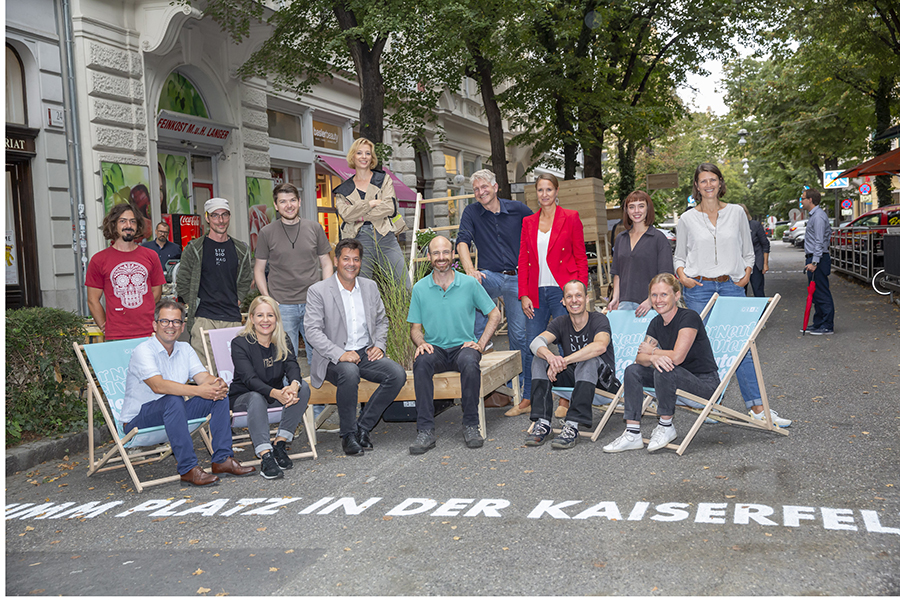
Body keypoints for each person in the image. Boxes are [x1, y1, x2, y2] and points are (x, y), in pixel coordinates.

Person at [673, 163, 791, 427]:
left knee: (742, 347)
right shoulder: (686, 218)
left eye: (712, 179)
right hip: (699, 289)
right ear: (697, 186)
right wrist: (683, 277)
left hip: (731, 286)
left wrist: (747, 272)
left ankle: (759, 409)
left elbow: (747, 250)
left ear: (720, 182)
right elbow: (679, 256)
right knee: (705, 349)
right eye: (703, 181)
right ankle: (711, 405)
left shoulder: (736, 212)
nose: (708, 185)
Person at [122, 299, 255, 486]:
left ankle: (222, 459)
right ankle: (188, 469)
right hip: (139, 421)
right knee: (173, 399)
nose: (171, 326)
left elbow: (202, 377)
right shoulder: (143, 351)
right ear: (155, 324)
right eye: (165, 321)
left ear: (183, 326)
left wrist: (217, 384)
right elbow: (158, 386)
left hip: (175, 414)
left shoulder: (184, 349)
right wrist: (199, 390)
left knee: (218, 396)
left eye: (176, 321)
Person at [305, 238, 408, 456]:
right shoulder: (319, 291)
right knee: (349, 372)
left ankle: (363, 427)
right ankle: (348, 435)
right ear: (336, 261)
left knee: (397, 374)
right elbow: (312, 331)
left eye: (356, 259)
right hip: (333, 357)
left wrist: (379, 345)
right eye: (346, 259)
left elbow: (382, 320)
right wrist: (340, 354)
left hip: (365, 352)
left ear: (360, 262)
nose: (351, 264)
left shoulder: (370, 287)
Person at [603, 274, 720, 453]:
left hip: (704, 386)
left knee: (665, 366)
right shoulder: (656, 322)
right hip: (674, 380)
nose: (658, 300)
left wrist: (654, 353)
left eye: (664, 295)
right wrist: (652, 357)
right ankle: (632, 433)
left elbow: (678, 357)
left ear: (677, 295)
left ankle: (666, 425)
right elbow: (639, 358)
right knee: (633, 370)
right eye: (654, 295)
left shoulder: (689, 317)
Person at [407, 236, 501, 454]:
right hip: (435, 349)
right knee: (421, 363)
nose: (442, 258)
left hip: (463, 347)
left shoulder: (469, 283)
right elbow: (415, 329)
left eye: (446, 252)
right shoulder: (420, 288)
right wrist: (420, 343)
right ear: (428, 257)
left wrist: (480, 344)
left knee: (470, 362)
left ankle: (470, 425)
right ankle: (425, 431)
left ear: (453, 255)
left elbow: (494, 315)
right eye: (436, 253)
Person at [456, 169, 532, 409]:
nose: (480, 192)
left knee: (519, 335)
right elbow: (462, 243)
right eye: (476, 189)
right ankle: (481, 358)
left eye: (484, 187)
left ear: (495, 186)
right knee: (470, 292)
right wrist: (470, 271)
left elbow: (537, 231)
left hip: (517, 277)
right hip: (488, 276)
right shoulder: (471, 212)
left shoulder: (518, 209)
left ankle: (519, 387)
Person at [515, 173, 588, 419]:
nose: (544, 194)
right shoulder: (528, 222)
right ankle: (528, 396)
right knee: (532, 344)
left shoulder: (571, 217)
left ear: (557, 191)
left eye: (548, 189)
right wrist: (523, 294)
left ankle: (566, 399)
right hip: (536, 291)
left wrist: (578, 292)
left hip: (562, 289)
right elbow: (523, 260)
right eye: (540, 190)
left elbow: (580, 257)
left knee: (566, 343)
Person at [525, 280, 614, 450]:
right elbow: (535, 342)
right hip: (577, 380)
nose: (574, 300)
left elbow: (600, 346)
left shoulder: (599, 319)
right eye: (569, 296)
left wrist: (563, 361)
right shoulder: (560, 322)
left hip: (603, 383)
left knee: (588, 360)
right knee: (539, 359)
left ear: (586, 299)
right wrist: (551, 358)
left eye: (579, 295)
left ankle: (572, 426)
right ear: (563, 301)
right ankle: (542, 423)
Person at [230, 295, 310, 480]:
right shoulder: (240, 343)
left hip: (273, 393)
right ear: (251, 318)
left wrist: (294, 386)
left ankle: (280, 444)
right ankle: (265, 456)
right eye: (260, 315)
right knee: (256, 397)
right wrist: (277, 393)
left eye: (270, 315)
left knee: (304, 387)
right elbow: (249, 379)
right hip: (243, 397)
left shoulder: (282, 339)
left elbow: (292, 365)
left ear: (276, 318)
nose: (265, 320)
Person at [254, 183, 334, 363]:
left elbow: (326, 262)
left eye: (292, 200)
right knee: (286, 358)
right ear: (275, 205)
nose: (288, 205)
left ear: (299, 202)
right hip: (282, 305)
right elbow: (259, 269)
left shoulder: (314, 228)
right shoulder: (266, 233)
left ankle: (318, 391)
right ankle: (289, 391)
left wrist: (323, 292)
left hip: (312, 304)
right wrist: (267, 298)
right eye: (283, 202)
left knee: (319, 356)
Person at [177, 198, 252, 360]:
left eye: (224, 215)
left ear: (229, 216)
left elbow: (246, 279)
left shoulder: (240, 249)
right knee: (205, 373)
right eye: (215, 215)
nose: (221, 220)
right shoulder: (194, 248)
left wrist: (237, 300)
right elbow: (182, 281)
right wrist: (194, 302)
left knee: (233, 371)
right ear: (207, 217)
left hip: (232, 318)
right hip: (204, 318)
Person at [333, 138, 410, 290]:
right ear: (353, 157)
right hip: (359, 240)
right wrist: (370, 204)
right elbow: (346, 215)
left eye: (368, 153)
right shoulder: (344, 189)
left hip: (385, 235)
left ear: (372, 157)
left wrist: (359, 215)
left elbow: (389, 207)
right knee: (362, 288)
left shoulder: (382, 179)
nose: (364, 157)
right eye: (359, 153)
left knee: (404, 285)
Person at [86, 203, 165, 340]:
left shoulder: (151, 256)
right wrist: (104, 326)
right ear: (113, 225)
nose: (128, 225)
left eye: (132, 221)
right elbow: (92, 300)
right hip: (117, 335)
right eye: (123, 221)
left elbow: (156, 293)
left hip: (149, 332)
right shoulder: (99, 260)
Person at [608, 190, 674, 315]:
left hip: (652, 305)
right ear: (627, 211)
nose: (636, 211)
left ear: (648, 209)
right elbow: (617, 273)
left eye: (641, 206)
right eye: (632, 207)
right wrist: (615, 298)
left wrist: (651, 300)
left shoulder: (658, 238)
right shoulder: (621, 239)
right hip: (624, 304)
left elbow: (666, 276)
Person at [801, 187, 834, 335]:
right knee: (815, 293)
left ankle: (827, 325)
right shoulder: (815, 215)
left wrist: (814, 262)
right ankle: (818, 323)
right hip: (816, 258)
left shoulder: (819, 217)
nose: (801, 201)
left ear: (810, 200)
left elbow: (820, 242)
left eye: (803, 198)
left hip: (818, 259)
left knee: (821, 292)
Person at [739, 203, 770, 297]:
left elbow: (765, 244)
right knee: (740, 292)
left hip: (756, 263)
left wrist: (765, 264)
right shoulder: (732, 227)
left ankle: (762, 311)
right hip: (739, 264)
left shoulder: (755, 225)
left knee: (758, 290)